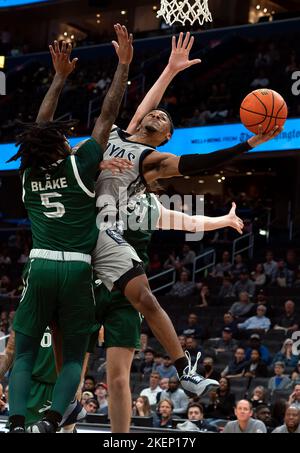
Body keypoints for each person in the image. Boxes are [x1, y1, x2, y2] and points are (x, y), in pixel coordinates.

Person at [92, 27, 282, 404]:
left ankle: (184, 372)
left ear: (163, 140)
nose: (159, 115)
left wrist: (248, 144)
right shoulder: (123, 133)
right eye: (157, 114)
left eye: (165, 122)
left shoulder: (152, 160)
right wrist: (171, 69)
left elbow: (197, 169)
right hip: (74, 228)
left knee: (144, 301)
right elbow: (147, 103)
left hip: (102, 236)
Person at [6, 25, 133, 434]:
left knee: (24, 353)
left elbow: (41, 128)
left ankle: (17, 421)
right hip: (77, 268)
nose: (64, 136)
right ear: (60, 146)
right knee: (74, 356)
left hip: (40, 265)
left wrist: (59, 78)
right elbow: (108, 115)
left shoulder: (27, 174)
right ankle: (51, 422)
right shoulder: (81, 166)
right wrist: (123, 67)